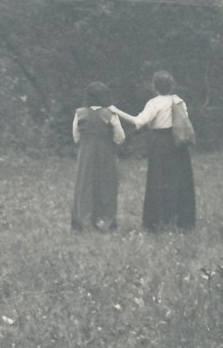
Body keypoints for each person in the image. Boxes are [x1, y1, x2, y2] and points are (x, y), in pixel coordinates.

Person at [116, 70, 196, 232]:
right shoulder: (179, 101)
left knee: (159, 180)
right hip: (178, 143)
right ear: (172, 85)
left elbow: (138, 122)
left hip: (160, 143)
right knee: (180, 180)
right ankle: (182, 220)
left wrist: (115, 111)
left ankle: (158, 221)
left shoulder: (154, 103)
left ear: (154, 86)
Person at [70, 81, 125, 231]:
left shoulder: (80, 113)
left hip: (86, 153)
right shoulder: (110, 114)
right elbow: (120, 137)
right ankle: (105, 221)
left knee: (85, 184)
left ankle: (85, 220)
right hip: (106, 152)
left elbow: (76, 136)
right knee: (107, 184)